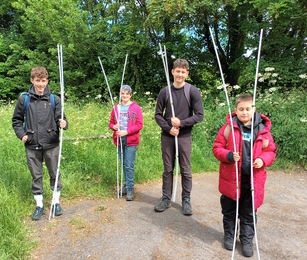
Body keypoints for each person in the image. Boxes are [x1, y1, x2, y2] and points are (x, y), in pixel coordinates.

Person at [212, 94, 277, 257]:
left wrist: (262, 159)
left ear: (253, 110)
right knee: (229, 211)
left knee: (248, 213)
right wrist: (227, 155)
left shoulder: (262, 130)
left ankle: (247, 240)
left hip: (252, 181)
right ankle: (230, 235)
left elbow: (270, 151)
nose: (245, 113)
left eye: (248, 109)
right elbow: (217, 147)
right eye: (241, 109)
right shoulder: (228, 128)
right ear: (236, 110)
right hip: (231, 179)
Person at [12, 66, 68, 221]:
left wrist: (64, 123)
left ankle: (56, 203)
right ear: (32, 80)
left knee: (54, 174)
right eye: (38, 81)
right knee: (36, 176)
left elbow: (61, 119)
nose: (41, 84)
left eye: (43, 81)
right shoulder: (24, 99)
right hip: (32, 144)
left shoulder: (54, 99)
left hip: (51, 144)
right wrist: (22, 135)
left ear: (47, 81)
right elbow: (16, 121)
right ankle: (39, 205)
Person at [154, 58, 204, 216]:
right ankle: (166, 198)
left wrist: (181, 123)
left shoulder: (192, 91)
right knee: (168, 169)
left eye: (183, 72)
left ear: (187, 73)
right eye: (177, 71)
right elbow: (157, 115)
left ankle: (186, 200)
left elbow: (199, 116)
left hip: (184, 136)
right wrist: (169, 129)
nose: (180, 74)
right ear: (172, 72)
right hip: (168, 136)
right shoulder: (165, 92)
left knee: (186, 169)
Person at [109, 85, 143, 201]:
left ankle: (130, 188)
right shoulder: (116, 108)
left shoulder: (136, 108)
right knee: (123, 164)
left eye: (127, 94)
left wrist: (126, 132)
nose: (124, 96)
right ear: (120, 95)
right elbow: (111, 123)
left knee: (129, 165)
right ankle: (126, 184)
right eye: (122, 93)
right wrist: (114, 127)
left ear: (130, 95)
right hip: (119, 140)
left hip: (131, 140)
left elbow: (139, 125)